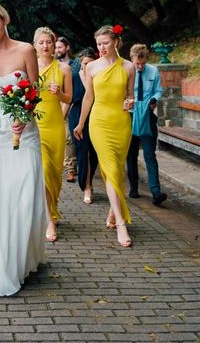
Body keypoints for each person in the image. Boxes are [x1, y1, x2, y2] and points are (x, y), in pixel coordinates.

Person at [0, 0, 47, 296]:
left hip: (26, 134)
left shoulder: (25, 50)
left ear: (5, 20)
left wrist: (24, 117)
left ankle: (27, 258)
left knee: (26, 199)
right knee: (3, 203)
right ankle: (7, 268)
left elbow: (35, 92)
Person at [73, 25, 135, 248]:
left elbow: (130, 95)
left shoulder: (128, 67)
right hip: (99, 123)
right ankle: (120, 223)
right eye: (99, 44)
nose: (101, 47)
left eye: (105, 43)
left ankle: (112, 211)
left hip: (121, 123)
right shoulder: (92, 67)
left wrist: (130, 103)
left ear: (116, 42)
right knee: (109, 168)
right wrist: (80, 123)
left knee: (117, 171)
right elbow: (89, 97)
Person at [34, 27, 72, 242]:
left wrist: (59, 94)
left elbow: (69, 98)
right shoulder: (29, 66)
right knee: (44, 170)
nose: (46, 46)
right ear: (35, 45)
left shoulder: (64, 69)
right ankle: (49, 221)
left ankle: (52, 210)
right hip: (36, 126)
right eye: (41, 42)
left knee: (55, 175)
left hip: (56, 125)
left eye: (49, 42)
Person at [126, 44, 167, 206]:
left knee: (150, 154)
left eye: (143, 63)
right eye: (138, 64)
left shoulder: (153, 71)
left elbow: (158, 90)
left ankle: (156, 192)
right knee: (131, 154)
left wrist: (154, 100)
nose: (141, 66)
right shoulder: (127, 71)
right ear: (132, 60)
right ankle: (134, 187)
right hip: (130, 115)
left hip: (147, 116)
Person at [68, 48, 99, 204]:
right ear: (80, 62)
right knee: (82, 151)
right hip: (77, 114)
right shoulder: (74, 77)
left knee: (93, 153)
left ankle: (89, 180)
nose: (88, 66)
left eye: (91, 63)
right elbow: (68, 100)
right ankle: (86, 186)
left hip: (95, 114)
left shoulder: (99, 77)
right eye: (85, 63)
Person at [56, 36, 79, 183]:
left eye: (60, 47)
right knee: (62, 137)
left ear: (67, 47)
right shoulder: (53, 65)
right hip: (56, 103)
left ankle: (71, 169)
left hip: (71, 103)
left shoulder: (75, 65)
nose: (58, 50)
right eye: (56, 47)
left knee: (69, 138)